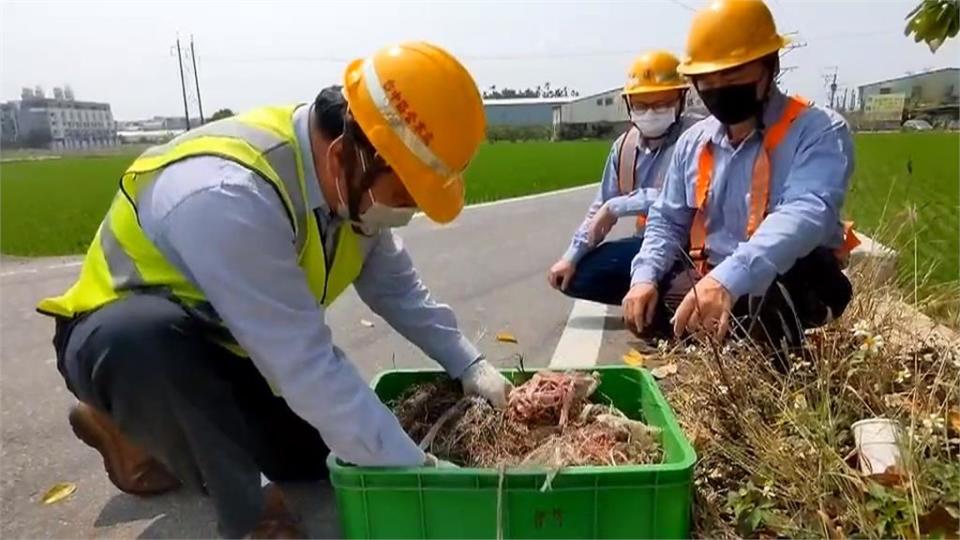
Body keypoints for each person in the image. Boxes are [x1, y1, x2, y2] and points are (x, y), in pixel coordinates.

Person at [36, 41, 513, 539]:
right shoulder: (228, 193)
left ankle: (143, 437)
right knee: (144, 342)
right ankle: (248, 508)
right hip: (122, 345)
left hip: (231, 353)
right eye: (403, 196)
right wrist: (420, 474)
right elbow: (304, 364)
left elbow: (400, 292)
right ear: (345, 153)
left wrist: (470, 365)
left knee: (320, 450)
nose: (405, 212)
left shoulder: (352, 188)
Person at [621, 0, 859, 359]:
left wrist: (729, 279)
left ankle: (769, 353)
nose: (720, 88)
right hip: (713, 272)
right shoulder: (694, 142)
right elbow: (667, 221)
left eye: (733, 77)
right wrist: (644, 278)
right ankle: (725, 336)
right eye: (708, 80)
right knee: (647, 310)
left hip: (788, 271)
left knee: (773, 299)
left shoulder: (817, 129)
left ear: (770, 66)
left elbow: (806, 212)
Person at [548, 51, 698, 306]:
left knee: (677, 280)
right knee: (576, 277)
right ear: (629, 105)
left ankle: (666, 294)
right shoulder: (625, 147)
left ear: (681, 100)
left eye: (661, 104)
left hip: (692, 244)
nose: (651, 113)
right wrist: (571, 256)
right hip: (646, 242)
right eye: (641, 105)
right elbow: (601, 206)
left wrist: (618, 206)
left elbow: (677, 197)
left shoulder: (696, 137)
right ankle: (652, 293)